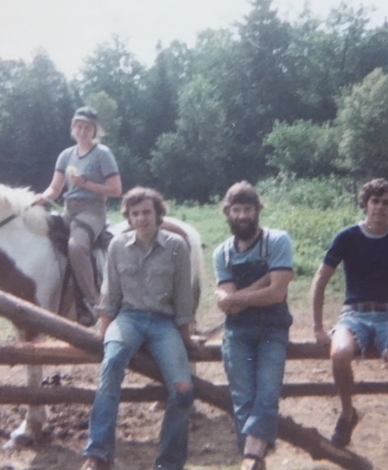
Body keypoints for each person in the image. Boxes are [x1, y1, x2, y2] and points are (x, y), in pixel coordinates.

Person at [311, 178, 388, 470]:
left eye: (386, 203)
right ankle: (347, 413)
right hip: (354, 314)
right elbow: (320, 280)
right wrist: (318, 326)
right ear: (365, 203)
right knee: (340, 352)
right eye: (375, 201)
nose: (380, 207)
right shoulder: (348, 236)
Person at [80, 187, 200, 470]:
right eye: (135, 213)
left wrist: (187, 337)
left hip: (163, 323)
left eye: (147, 212)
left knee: (183, 390)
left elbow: (184, 297)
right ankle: (99, 453)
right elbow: (109, 294)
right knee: (111, 366)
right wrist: (104, 330)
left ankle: (169, 463)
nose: (142, 218)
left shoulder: (177, 246)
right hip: (128, 319)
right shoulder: (117, 246)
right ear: (128, 218)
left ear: (158, 213)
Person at [212, 181, 295, 470]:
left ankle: (251, 456)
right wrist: (262, 285)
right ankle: (255, 458)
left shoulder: (277, 240)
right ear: (228, 213)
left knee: (269, 390)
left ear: (258, 210)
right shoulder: (222, 253)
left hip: (273, 328)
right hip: (238, 331)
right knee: (243, 396)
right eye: (236, 210)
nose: (243, 216)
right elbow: (227, 305)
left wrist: (236, 297)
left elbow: (277, 293)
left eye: (248, 209)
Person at [34, 106, 122, 324]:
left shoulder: (103, 153)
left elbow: (116, 189)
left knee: (76, 246)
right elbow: (55, 188)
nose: (83, 131)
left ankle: (94, 302)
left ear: (95, 131)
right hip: (68, 209)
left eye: (88, 128)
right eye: (79, 127)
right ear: (73, 129)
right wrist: (42, 197)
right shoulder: (66, 155)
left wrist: (87, 184)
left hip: (93, 210)